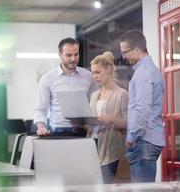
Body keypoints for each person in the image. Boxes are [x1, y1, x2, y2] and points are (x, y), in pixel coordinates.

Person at [119, 30, 165, 183]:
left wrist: (131, 137)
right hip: (151, 139)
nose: (124, 56)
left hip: (143, 140)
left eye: (125, 52)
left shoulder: (142, 74)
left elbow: (142, 110)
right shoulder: (153, 70)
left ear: (137, 49)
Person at [33, 37, 97, 136]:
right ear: (60, 55)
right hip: (58, 131)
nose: (73, 59)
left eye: (76, 54)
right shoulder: (47, 78)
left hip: (84, 131)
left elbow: (95, 105)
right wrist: (41, 127)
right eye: (69, 55)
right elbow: (40, 109)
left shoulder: (89, 76)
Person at [87, 51, 129, 183]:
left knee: (106, 186)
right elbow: (91, 123)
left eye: (98, 72)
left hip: (111, 150)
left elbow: (129, 123)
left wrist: (112, 119)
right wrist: (78, 122)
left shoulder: (122, 94)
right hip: (92, 147)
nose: (94, 76)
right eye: (93, 73)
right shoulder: (94, 95)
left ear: (109, 69)